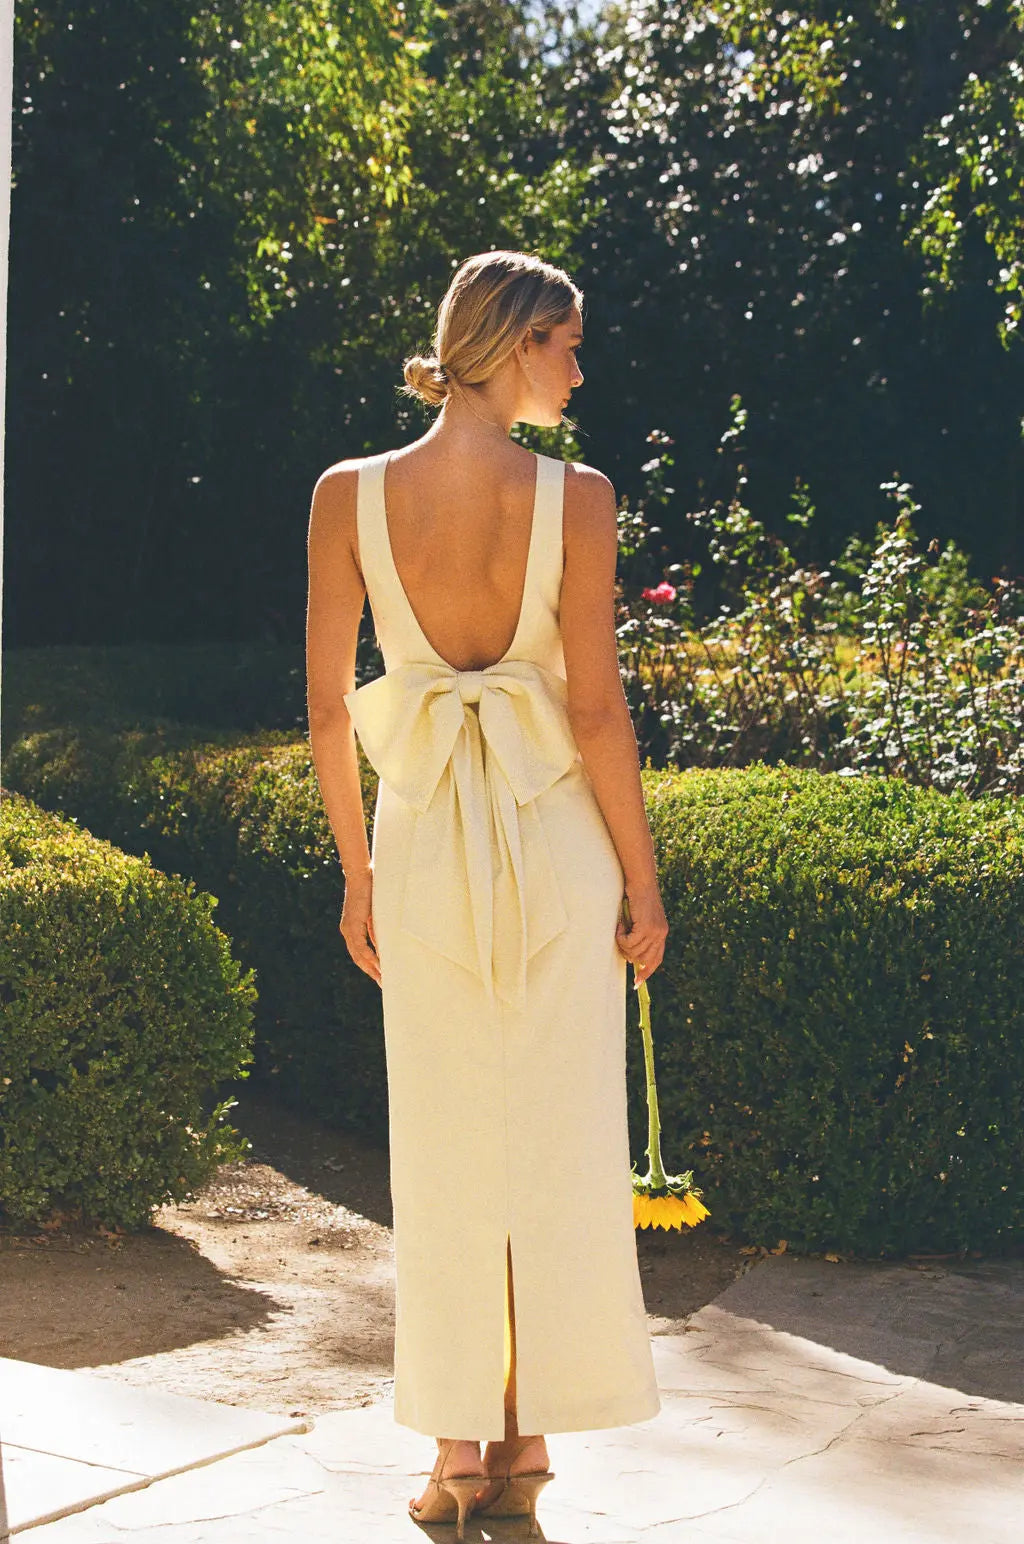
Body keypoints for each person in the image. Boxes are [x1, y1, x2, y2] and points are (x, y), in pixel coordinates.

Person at [305, 250, 669, 1538]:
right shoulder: (579, 497)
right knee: (561, 1139)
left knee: (443, 1142)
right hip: (554, 837)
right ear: (517, 344)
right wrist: (643, 880)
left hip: (417, 846)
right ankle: (530, 1445)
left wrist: (355, 872)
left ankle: (456, 1453)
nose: (578, 368)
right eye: (567, 343)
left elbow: (325, 711)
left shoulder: (347, 494)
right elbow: (597, 710)